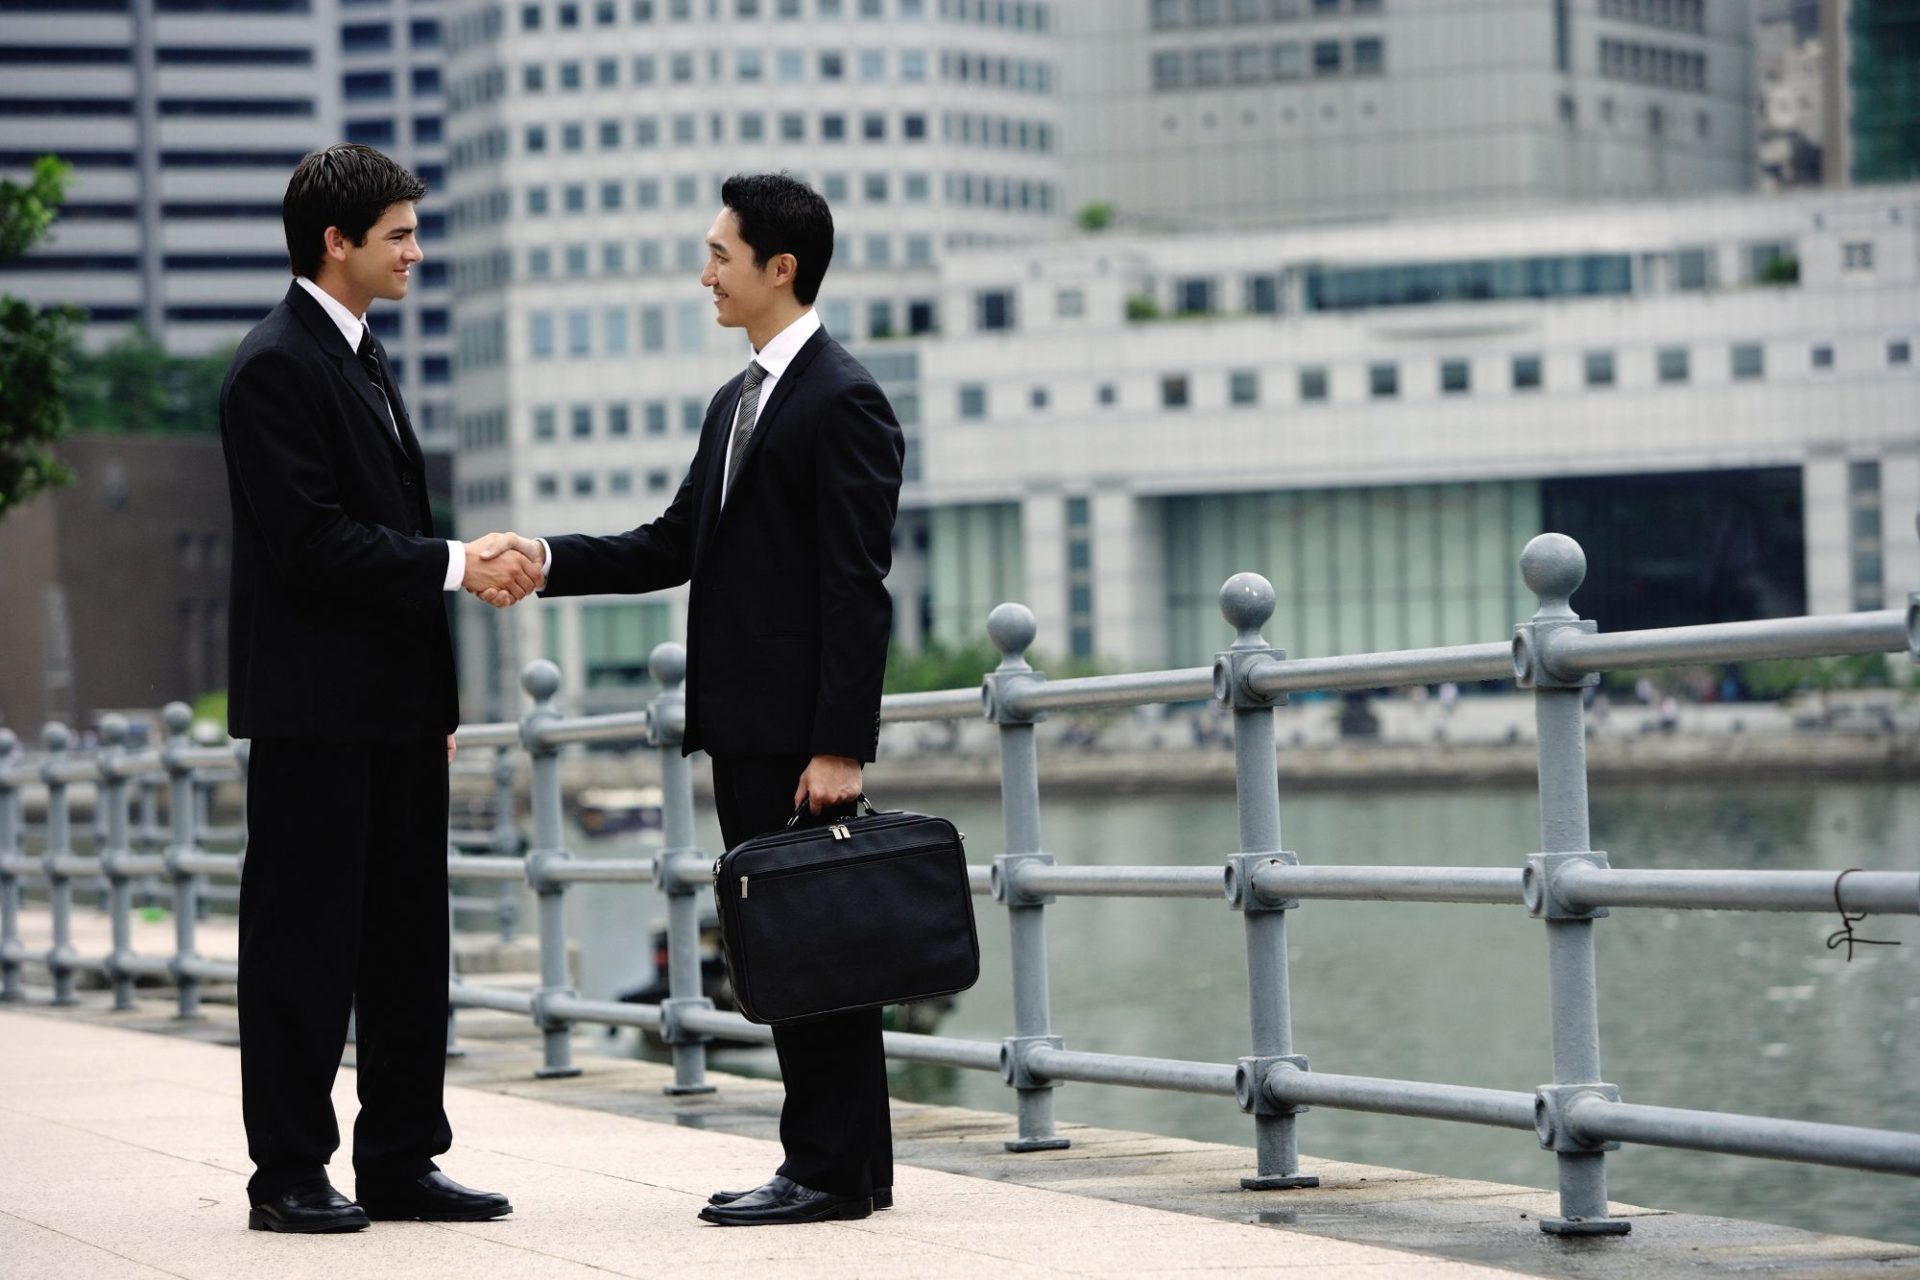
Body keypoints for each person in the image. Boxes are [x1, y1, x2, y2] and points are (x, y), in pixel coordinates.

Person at [476, 173, 904, 1226]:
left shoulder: (842, 398)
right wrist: (543, 554)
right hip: (747, 726)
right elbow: (674, 543)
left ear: (780, 268)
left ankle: (828, 1169)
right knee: (791, 941)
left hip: (802, 736)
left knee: (814, 946)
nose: (704, 272)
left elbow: (856, 583)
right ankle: (849, 1162)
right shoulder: (738, 400)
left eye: (720, 254)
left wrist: (841, 743)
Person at [218, 143, 534, 1233]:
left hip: (396, 713)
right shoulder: (275, 366)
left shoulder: (361, 354)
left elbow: (382, 532)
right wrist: (458, 560)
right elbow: (312, 544)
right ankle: (290, 1171)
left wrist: (435, 709)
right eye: (398, 233)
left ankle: (401, 1155)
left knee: (409, 941)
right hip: (313, 714)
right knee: (302, 944)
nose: (416, 249)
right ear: (335, 242)